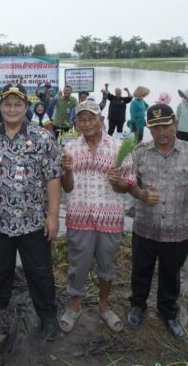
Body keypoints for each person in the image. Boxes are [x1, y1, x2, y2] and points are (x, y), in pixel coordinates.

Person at [0, 83, 63, 341]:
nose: (12, 108)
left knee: (40, 271)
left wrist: (53, 216)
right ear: (0, 106)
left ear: (26, 107)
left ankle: (48, 314)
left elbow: (53, 178)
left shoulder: (43, 138)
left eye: (17, 104)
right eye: (7, 104)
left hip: (32, 221)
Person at [121, 104, 188, 339]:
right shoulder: (140, 152)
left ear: (175, 124)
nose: (161, 131)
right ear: (149, 129)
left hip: (177, 228)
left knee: (171, 273)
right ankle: (138, 305)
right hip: (145, 226)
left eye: (166, 126)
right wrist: (141, 194)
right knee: (141, 269)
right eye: (155, 127)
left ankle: (168, 312)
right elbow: (130, 185)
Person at [59, 100, 135, 334]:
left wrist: (118, 181)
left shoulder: (119, 147)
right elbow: (68, 188)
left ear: (101, 120)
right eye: (81, 119)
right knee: (78, 263)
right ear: (77, 123)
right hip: (79, 215)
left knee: (106, 264)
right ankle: (74, 305)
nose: (87, 123)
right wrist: (67, 170)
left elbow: (128, 186)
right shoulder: (70, 148)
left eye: (91, 118)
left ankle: (104, 306)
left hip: (110, 217)